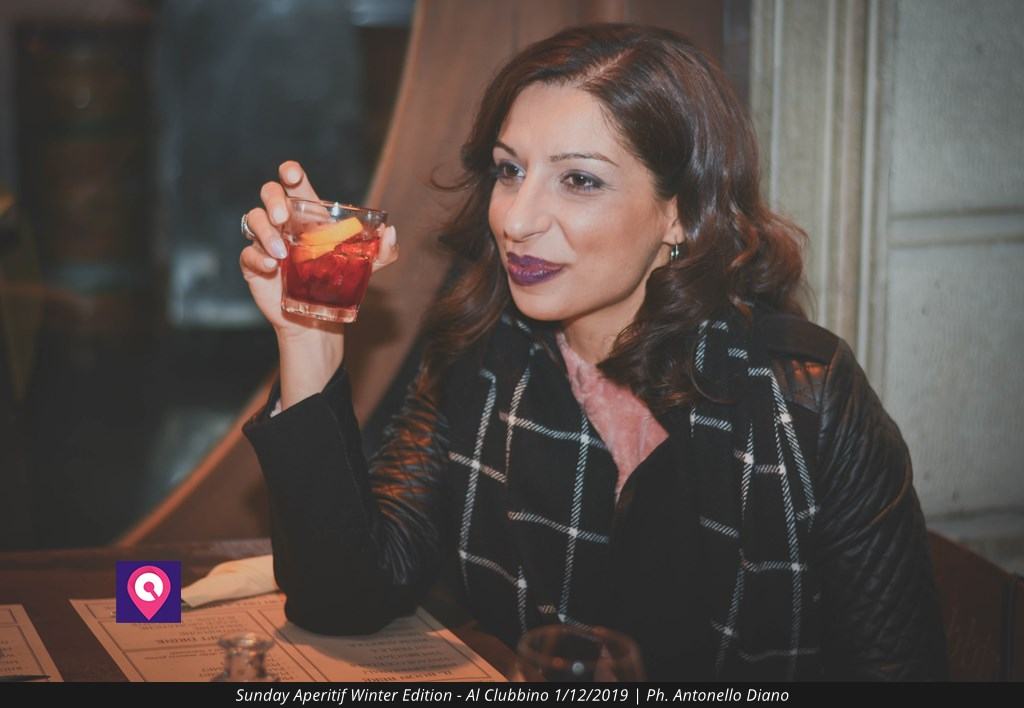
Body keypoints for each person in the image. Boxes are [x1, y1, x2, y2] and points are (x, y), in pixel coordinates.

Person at [237, 23, 948, 681]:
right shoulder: (482, 359)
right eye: (509, 170)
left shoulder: (804, 397)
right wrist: (308, 339)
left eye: (579, 179)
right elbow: (345, 597)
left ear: (679, 212)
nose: (516, 219)